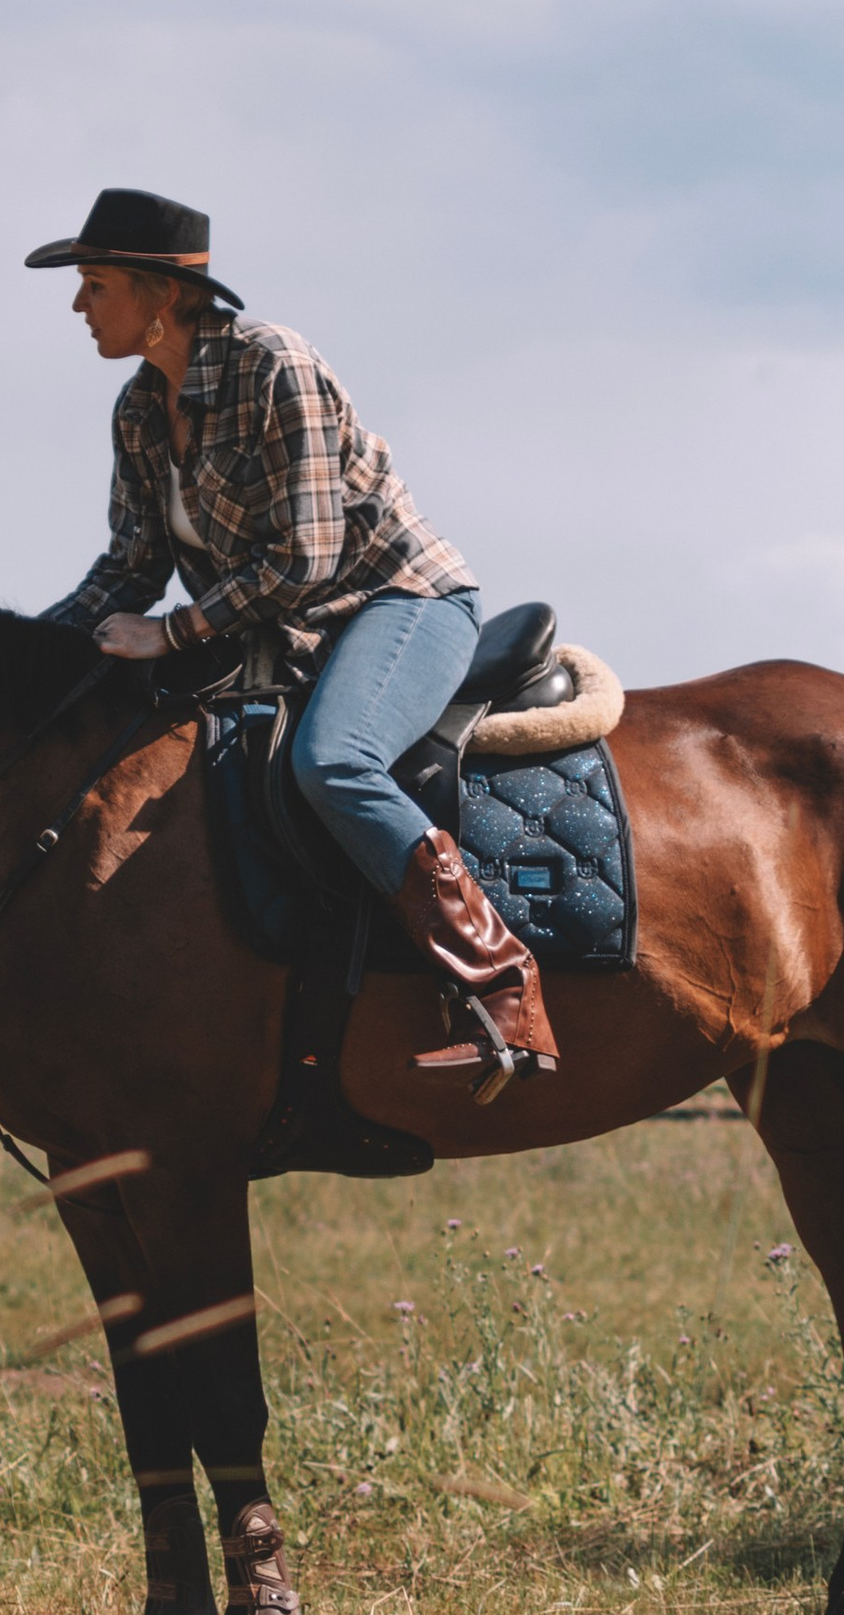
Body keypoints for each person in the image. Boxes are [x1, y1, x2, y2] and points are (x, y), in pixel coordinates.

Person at [31, 185, 555, 1093]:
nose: (79, 306)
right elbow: (127, 567)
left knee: (335, 762)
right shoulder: (137, 411)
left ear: (162, 296)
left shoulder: (274, 362)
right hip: (284, 629)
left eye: (97, 284)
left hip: (398, 602)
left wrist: (174, 634)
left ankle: (504, 990)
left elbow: (309, 559)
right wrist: (23, 654)